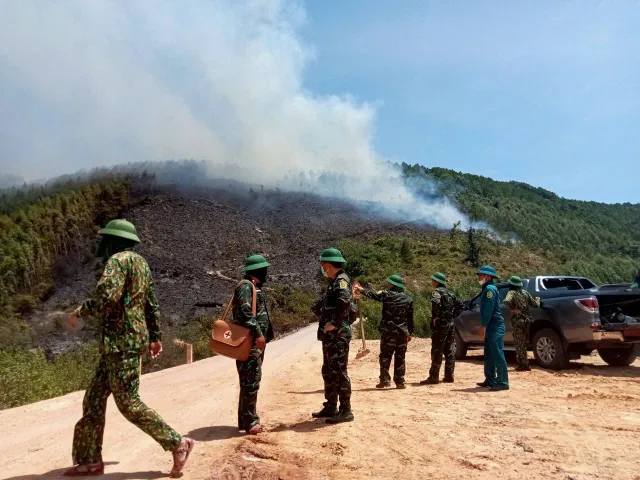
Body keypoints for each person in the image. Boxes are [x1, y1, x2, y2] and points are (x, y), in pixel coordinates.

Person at [64, 219, 194, 478]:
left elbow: (106, 297)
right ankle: (90, 461)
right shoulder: (142, 264)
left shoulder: (117, 261)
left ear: (113, 241)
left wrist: (80, 312)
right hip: (121, 345)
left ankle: (177, 442)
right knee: (93, 399)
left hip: (121, 344)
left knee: (128, 402)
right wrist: (155, 336)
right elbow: (152, 304)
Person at [311, 248, 357, 424]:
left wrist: (335, 323)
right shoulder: (334, 281)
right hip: (331, 336)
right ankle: (331, 405)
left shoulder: (341, 281)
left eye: (323, 265)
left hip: (338, 335)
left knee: (338, 371)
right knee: (329, 371)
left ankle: (346, 411)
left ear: (328, 265)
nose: (323, 268)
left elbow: (344, 302)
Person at [232, 254, 275, 435]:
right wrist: (258, 334)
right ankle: (250, 422)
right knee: (251, 382)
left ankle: (245, 420)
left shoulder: (250, 286)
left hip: (251, 343)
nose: (266, 272)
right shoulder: (246, 286)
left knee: (249, 381)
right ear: (258, 271)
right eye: (264, 269)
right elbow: (244, 311)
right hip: (249, 343)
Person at [355, 274, 414, 389]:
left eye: (389, 283)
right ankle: (400, 381)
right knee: (400, 357)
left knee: (385, 356)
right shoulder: (408, 299)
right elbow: (410, 319)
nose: (388, 284)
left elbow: (373, 295)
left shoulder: (387, 295)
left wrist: (361, 290)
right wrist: (410, 333)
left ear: (393, 284)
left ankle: (385, 380)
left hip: (388, 333)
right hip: (402, 333)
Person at [475, 265, 509, 391]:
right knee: (489, 354)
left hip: (494, 325)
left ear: (488, 277)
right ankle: (490, 379)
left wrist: (483, 325)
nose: (479, 277)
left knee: (497, 353)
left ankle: (502, 382)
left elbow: (488, 309)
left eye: (480, 275)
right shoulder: (486, 288)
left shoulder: (489, 289)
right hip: (491, 325)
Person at [421, 272, 459, 385]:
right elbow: (458, 306)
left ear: (437, 282)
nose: (432, 282)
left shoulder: (436, 292)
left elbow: (435, 303)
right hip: (451, 324)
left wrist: (436, 317)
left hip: (440, 325)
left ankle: (433, 377)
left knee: (437, 350)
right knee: (450, 349)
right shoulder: (451, 293)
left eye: (433, 280)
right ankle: (449, 375)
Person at [503, 276, 540, 371]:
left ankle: (523, 365)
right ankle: (524, 363)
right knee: (524, 342)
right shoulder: (525, 293)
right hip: (527, 321)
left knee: (519, 343)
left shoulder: (511, 292)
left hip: (518, 321)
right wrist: (538, 299)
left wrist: (513, 309)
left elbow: (506, 301)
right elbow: (535, 305)